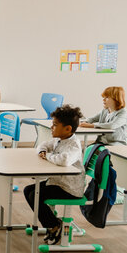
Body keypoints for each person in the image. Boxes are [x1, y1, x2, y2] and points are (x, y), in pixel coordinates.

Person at [24, 105, 85, 245]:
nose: (52, 127)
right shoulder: (59, 139)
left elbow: (64, 160)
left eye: (55, 125)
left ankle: (53, 225)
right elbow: (43, 144)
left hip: (70, 188)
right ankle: (53, 222)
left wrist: (47, 156)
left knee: (35, 195)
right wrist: (42, 151)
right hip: (58, 182)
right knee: (28, 190)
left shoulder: (73, 145)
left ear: (68, 129)